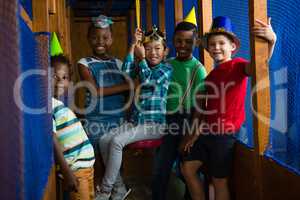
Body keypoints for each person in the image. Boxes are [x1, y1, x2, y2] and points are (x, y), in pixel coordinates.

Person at [180, 16, 277, 200]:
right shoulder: (210, 77)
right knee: (187, 168)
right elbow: (206, 109)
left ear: (232, 46)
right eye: (212, 44)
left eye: (221, 43)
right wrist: (195, 134)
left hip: (224, 134)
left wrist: (271, 41)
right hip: (207, 132)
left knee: (219, 181)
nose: (216, 47)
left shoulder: (238, 65)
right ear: (208, 49)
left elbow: (258, 67)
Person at [95, 26, 173, 200]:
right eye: (148, 48)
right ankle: (120, 189)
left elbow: (147, 81)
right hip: (137, 121)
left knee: (116, 142)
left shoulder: (166, 70)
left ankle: (106, 190)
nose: (153, 52)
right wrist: (132, 47)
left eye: (157, 48)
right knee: (103, 140)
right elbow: (126, 73)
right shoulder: (142, 65)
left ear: (165, 51)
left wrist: (142, 58)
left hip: (155, 125)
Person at [152, 21, 207, 200]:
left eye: (188, 41)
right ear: (172, 41)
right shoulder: (167, 64)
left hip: (187, 120)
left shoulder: (198, 70)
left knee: (187, 167)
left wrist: (191, 135)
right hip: (166, 119)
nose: (182, 45)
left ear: (196, 42)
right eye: (178, 41)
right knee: (161, 167)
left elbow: (200, 106)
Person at [77, 15, 133, 192]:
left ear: (112, 39)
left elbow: (129, 93)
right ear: (88, 39)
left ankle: (116, 191)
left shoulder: (119, 63)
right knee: (97, 159)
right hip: (95, 119)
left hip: (117, 118)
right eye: (95, 37)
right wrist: (127, 85)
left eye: (105, 37)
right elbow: (95, 92)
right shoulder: (84, 63)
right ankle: (98, 191)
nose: (100, 41)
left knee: (115, 158)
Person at [51, 54, 95, 200]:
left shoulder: (59, 104)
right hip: (75, 171)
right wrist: (67, 172)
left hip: (87, 169)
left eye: (64, 78)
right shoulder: (48, 105)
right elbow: (52, 138)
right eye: (54, 76)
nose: (59, 82)